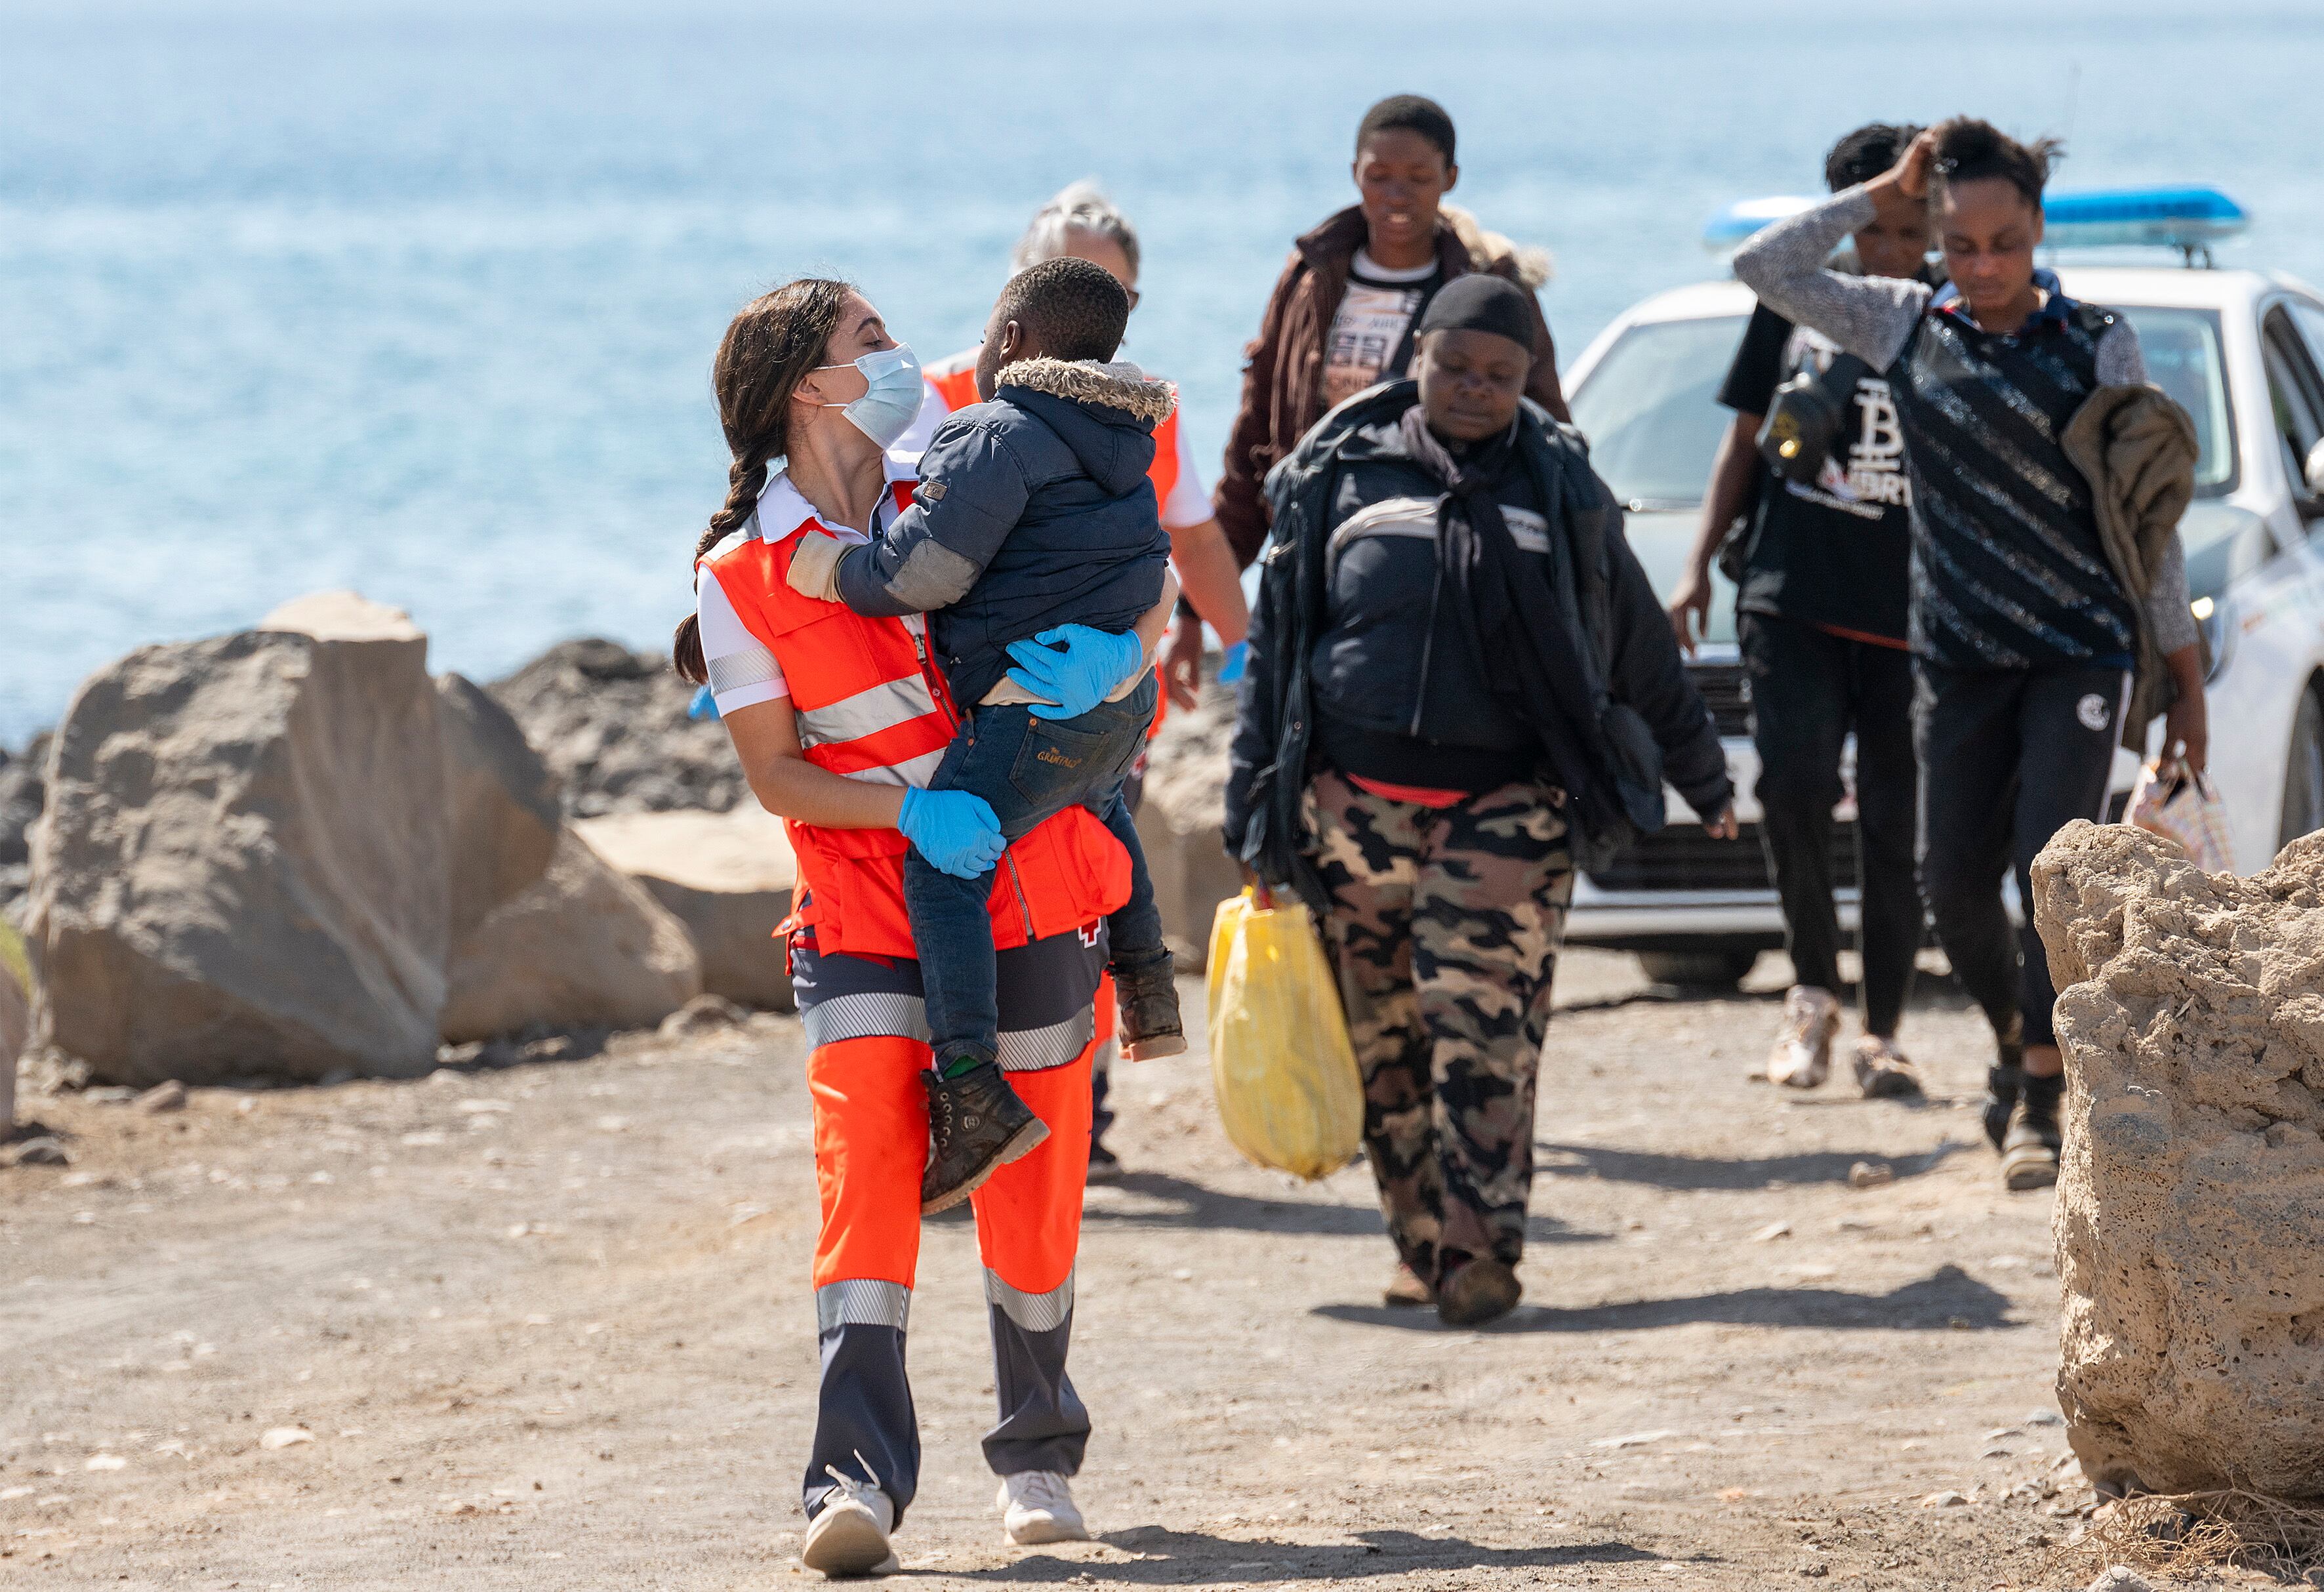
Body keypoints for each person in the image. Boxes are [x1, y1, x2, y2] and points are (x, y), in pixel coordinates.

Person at [674, 277, 1151, 1574]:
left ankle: (1039, 1453)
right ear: (805, 390)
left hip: (1041, 874)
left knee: (1036, 1176)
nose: (901, 354)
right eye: (868, 339)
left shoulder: (961, 477)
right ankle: (853, 1480)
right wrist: (910, 803)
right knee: (872, 1172)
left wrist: (1130, 665)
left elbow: (1109, 564)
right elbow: (776, 773)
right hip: (861, 902)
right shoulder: (740, 575)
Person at [1225, 275, 1735, 1327]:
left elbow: (1637, 641)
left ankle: (1480, 1250)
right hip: (1349, 810)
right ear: (1418, 356)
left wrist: (1703, 775)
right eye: (1453, 366)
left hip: (1506, 807)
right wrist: (1252, 810)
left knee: (1486, 1030)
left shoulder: (1557, 488)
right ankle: (1419, 1245)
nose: (1472, 388)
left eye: (1497, 376)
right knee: (1384, 1039)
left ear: (1526, 381)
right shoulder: (1340, 476)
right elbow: (1275, 649)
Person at [1734, 118, 2207, 1191]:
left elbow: (2147, 523)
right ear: (1932, 239)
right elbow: (1760, 269)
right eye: (1958, 244)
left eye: (2004, 241)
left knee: (2043, 866)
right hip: (1951, 658)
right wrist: (1876, 197)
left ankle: (2040, 1090)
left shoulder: (2094, 341)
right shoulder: (1900, 325)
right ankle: (2011, 1035)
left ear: (2037, 226)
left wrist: (2179, 676)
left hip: (2076, 651)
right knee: (1948, 886)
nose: (1983, 266)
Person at [783, 258, 1185, 1215]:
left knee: (942, 866)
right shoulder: (1124, 438)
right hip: (1117, 700)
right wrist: (1128, 657)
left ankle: (968, 1087)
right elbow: (1149, 561)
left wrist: (833, 572)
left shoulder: (991, 430)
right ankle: (1149, 987)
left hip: (1024, 708)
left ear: (1008, 341)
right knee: (1099, 799)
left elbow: (927, 573)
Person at [1669, 123, 1932, 1099]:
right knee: (1790, 790)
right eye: (1873, 226)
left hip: (1911, 617)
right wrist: (1696, 564)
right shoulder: (1795, 302)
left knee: (1897, 819)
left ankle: (1885, 1029)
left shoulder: (1947, 310)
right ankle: (1811, 996)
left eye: (1911, 229)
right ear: (1841, 219)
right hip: (1790, 597)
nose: (1890, 251)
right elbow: (1740, 444)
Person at [902, 181, 1251, 715]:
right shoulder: (937, 395)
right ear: (1017, 285)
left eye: (1113, 297)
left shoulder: (1152, 405)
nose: (1086, 312)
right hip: (980, 701)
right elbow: (909, 546)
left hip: (1120, 704)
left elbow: (1193, 542)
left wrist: (1240, 644)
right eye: (1067, 282)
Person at [1213, 94, 1570, 574]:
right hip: (1312, 548)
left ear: (1450, 178)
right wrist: (1204, 597)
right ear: (1355, 173)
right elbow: (1255, 427)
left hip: (1444, 550)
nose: (1396, 195)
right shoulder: (1308, 280)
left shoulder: (1492, 288)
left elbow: (1545, 427)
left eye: (1418, 178)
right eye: (1378, 177)